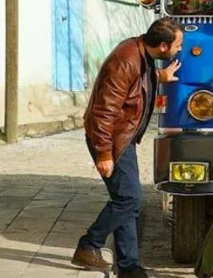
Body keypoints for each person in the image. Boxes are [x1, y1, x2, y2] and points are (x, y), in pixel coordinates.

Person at [71, 18, 183, 277]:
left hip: (122, 138)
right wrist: (104, 153)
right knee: (129, 199)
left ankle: (129, 266)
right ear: (163, 46)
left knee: (127, 202)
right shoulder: (127, 59)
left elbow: (135, 82)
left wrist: (160, 76)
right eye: (178, 44)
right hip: (112, 140)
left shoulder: (141, 54)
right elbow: (103, 111)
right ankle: (89, 245)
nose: (180, 49)